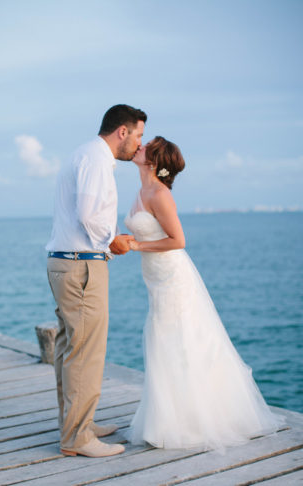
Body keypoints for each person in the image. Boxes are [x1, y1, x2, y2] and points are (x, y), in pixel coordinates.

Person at [124, 136, 284, 451]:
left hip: (172, 276)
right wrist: (125, 241)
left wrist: (136, 245)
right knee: (164, 340)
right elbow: (147, 231)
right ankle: (170, 418)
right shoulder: (141, 191)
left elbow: (178, 239)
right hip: (155, 277)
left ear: (154, 161)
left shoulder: (159, 193)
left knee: (175, 340)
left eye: (145, 146)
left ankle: (187, 422)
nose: (138, 146)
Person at [46, 104, 147, 458]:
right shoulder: (97, 159)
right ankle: (77, 438)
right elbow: (89, 214)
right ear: (122, 132)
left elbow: (85, 215)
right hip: (82, 266)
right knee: (86, 352)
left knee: (71, 349)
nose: (138, 144)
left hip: (68, 261)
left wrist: (106, 238)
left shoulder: (85, 154)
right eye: (138, 136)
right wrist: (111, 241)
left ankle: (77, 424)